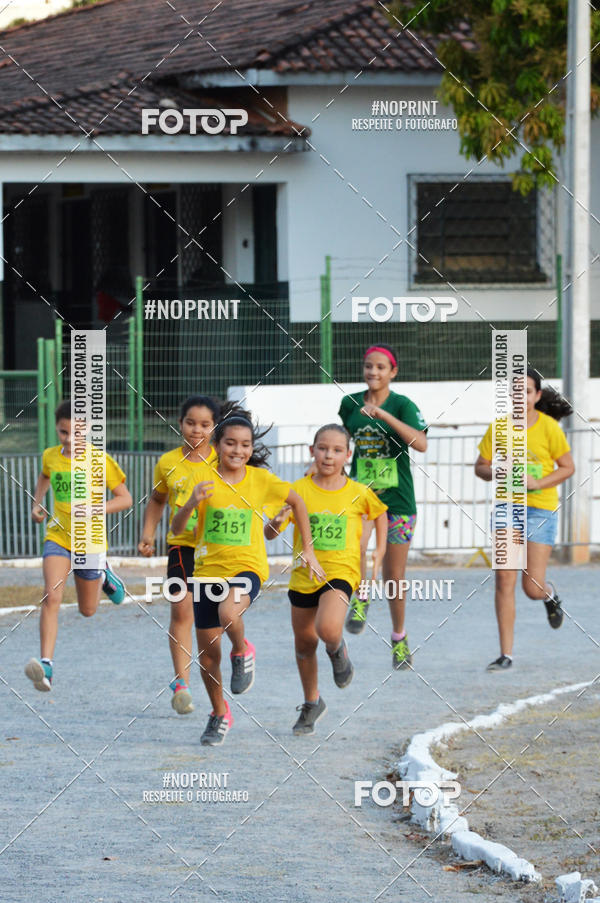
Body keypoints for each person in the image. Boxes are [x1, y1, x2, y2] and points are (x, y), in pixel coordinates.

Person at [171, 410, 324, 746]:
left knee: (229, 614)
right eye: (230, 443)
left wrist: (308, 549)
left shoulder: (261, 481)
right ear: (217, 444)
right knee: (209, 656)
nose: (237, 451)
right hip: (208, 572)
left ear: (251, 448)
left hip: (248, 567)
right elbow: (176, 529)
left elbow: (297, 502)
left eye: (245, 445)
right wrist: (191, 503)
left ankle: (242, 651)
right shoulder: (203, 480)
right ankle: (219, 713)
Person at [265, 424, 387, 735]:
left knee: (328, 627)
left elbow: (380, 513)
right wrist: (277, 521)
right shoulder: (298, 491)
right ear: (312, 451)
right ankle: (311, 702)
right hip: (304, 575)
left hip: (340, 572)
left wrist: (380, 551)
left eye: (336, 450)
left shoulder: (358, 492)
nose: (328, 455)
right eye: (322, 448)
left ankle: (337, 649)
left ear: (348, 455)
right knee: (304, 646)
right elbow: (269, 533)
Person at [26, 400, 132, 692]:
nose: (70, 440)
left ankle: (105, 575)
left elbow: (125, 499)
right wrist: (37, 504)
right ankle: (47, 664)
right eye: (63, 433)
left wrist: (94, 508)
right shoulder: (51, 456)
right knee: (51, 597)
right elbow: (45, 476)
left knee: (88, 610)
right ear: (57, 429)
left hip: (90, 540)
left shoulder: (100, 460)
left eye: (77, 433)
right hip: (58, 537)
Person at [475, 368, 575, 671]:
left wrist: (538, 483)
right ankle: (506, 654)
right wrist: (497, 471)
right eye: (515, 391)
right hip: (507, 506)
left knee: (531, 587)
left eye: (527, 391)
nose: (521, 397)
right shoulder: (499, 427)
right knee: (504, 579)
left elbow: (567, 467)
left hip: (540, 509)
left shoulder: (549, 428)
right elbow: (481, 467)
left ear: (537, 396)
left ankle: (550, 595)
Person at [339, 344, 428, 669]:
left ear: (393, 372)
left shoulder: (403, 405)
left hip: (399, 500)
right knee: (357, 549)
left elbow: (421, 443)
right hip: (361, 498)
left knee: (394, 575)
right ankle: (361, 599)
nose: (373, 372)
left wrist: (385, 415)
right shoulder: (348, 404)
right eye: (368, 366)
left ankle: (399, 638)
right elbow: (342, 444)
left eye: (380, 367)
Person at [138, 395, 220, 715]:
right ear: (180, 423)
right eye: (190, 423)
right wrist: (148, 534)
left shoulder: (223, 460)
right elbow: (158, 500)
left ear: (215, 427)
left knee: (213, 620)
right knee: (181, 611)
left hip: (216, 549)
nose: (196, 430)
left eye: (204, 424)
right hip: (180, 545)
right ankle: (181, 683)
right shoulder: (168, 462)